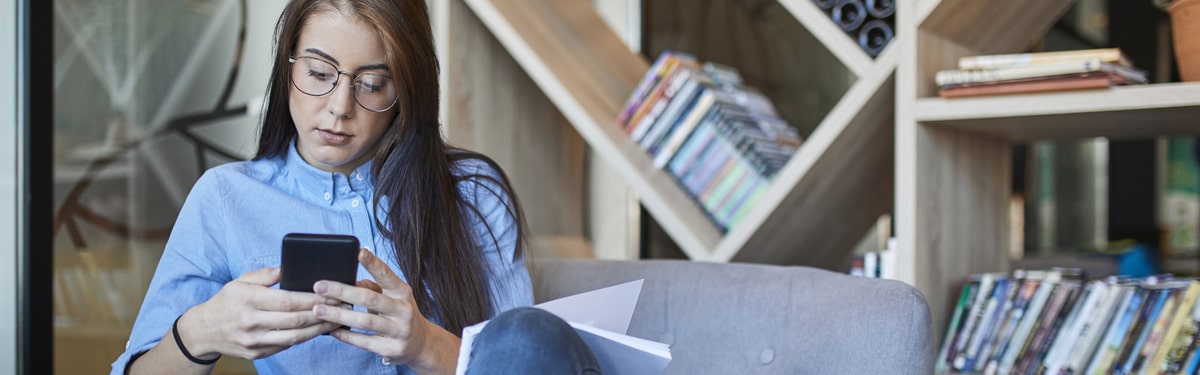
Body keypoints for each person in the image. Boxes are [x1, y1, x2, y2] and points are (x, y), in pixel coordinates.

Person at [110, 0, 599, 374]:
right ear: (289, 69)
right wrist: (201, 331)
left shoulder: (471, 191)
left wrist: (425, 343)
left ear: (406, 91)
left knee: (531, 335)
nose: (340, 107)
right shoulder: (226, 199)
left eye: (371, 84)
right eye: (319, 73)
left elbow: (522, 359)